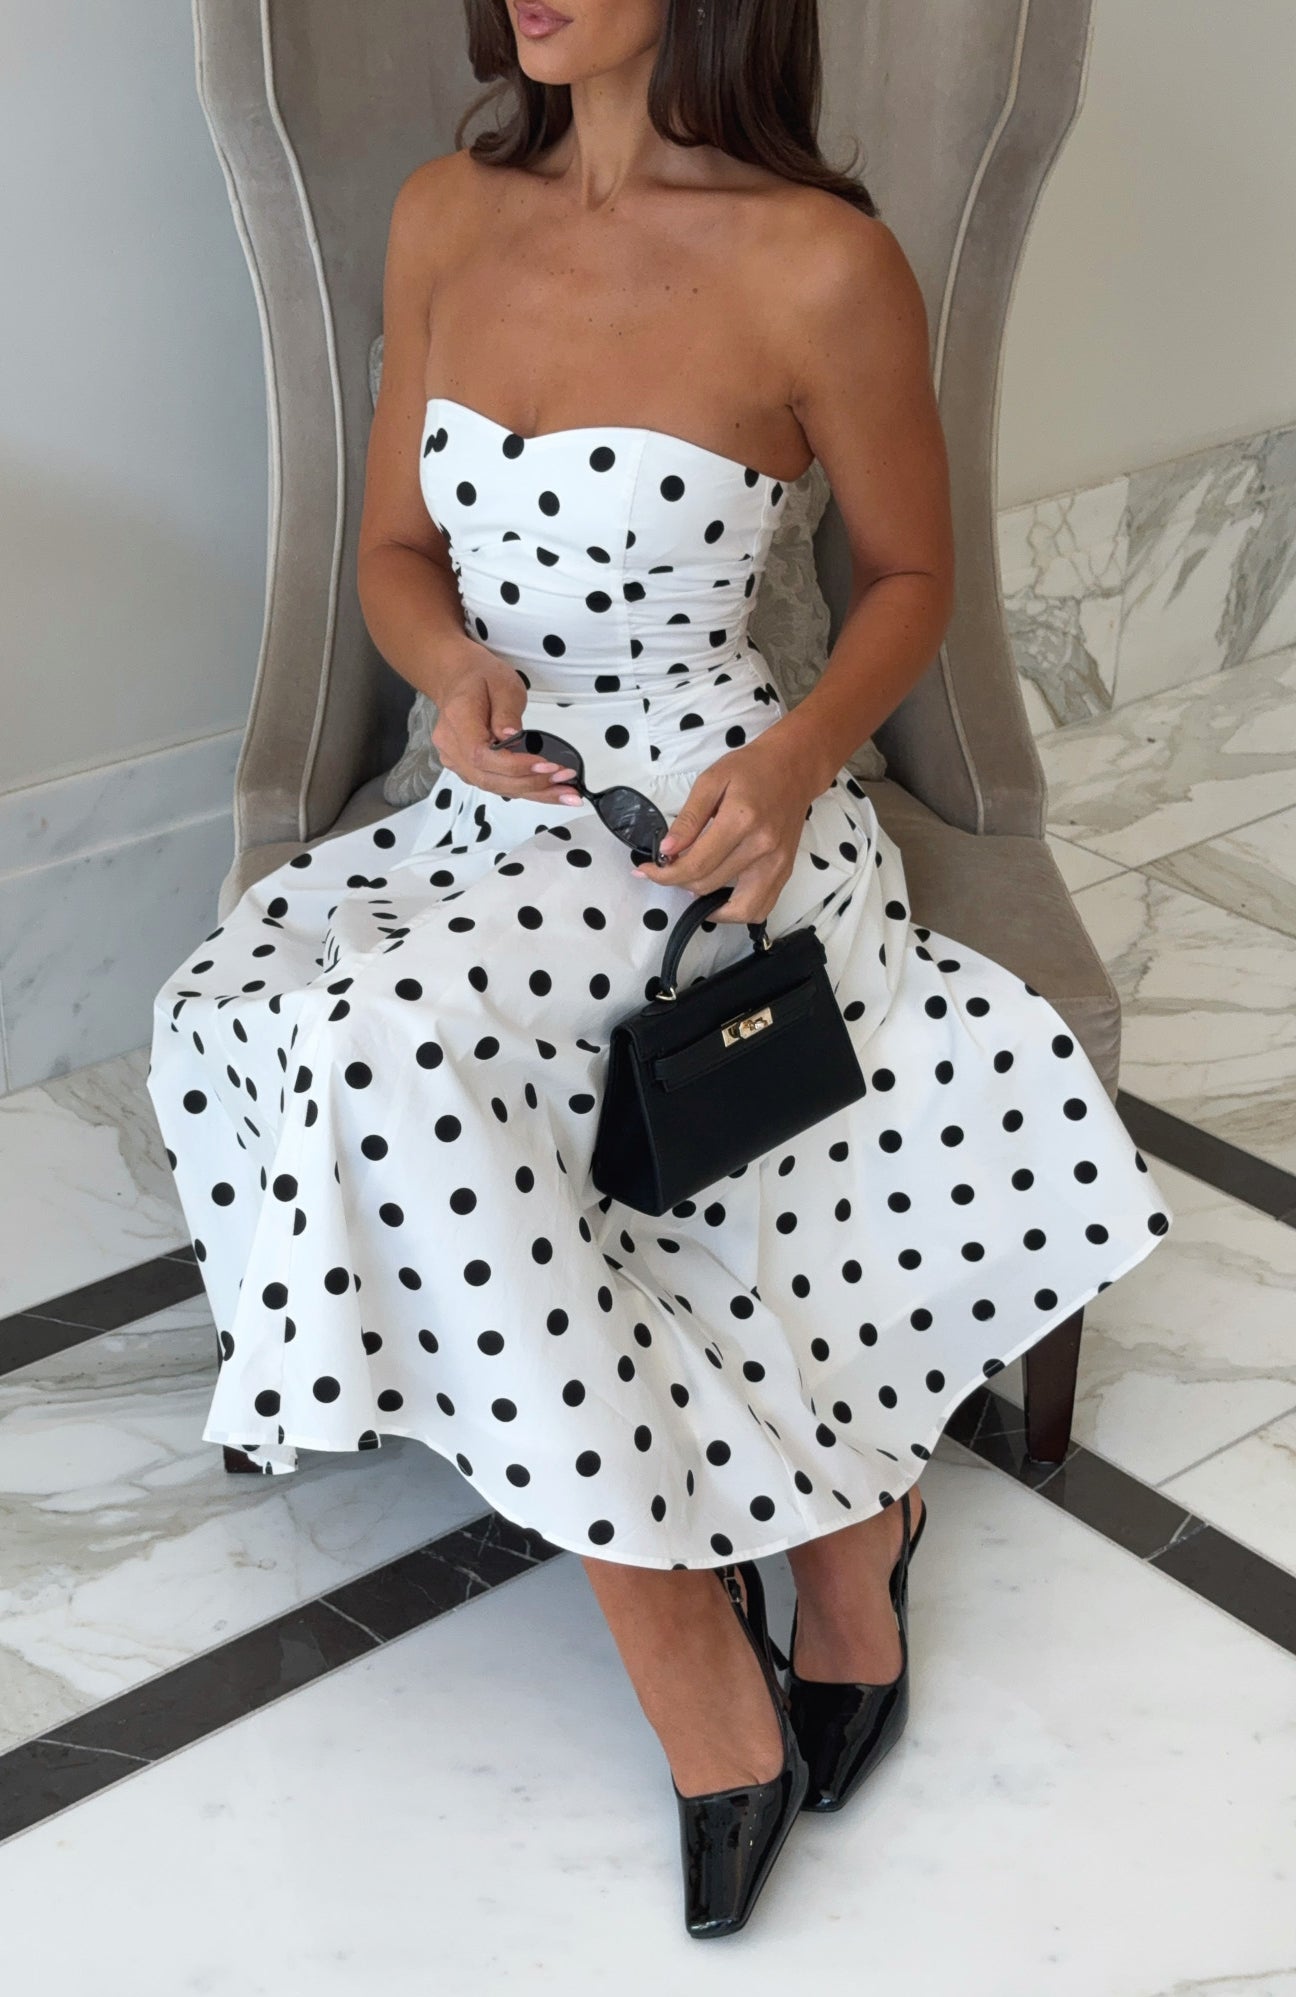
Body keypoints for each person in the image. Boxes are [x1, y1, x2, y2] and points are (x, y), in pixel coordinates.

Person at [145, 0, 1173, 1939]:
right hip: (485, 823)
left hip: (712, 826)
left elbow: (911, 581)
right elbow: (393, 550)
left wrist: (792, 761)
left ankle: (718, 1662)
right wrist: (449, 674)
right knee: (275, 1021)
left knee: (379, 1052)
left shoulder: (821, 261)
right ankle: (779, 1567)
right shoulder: (445, 214)